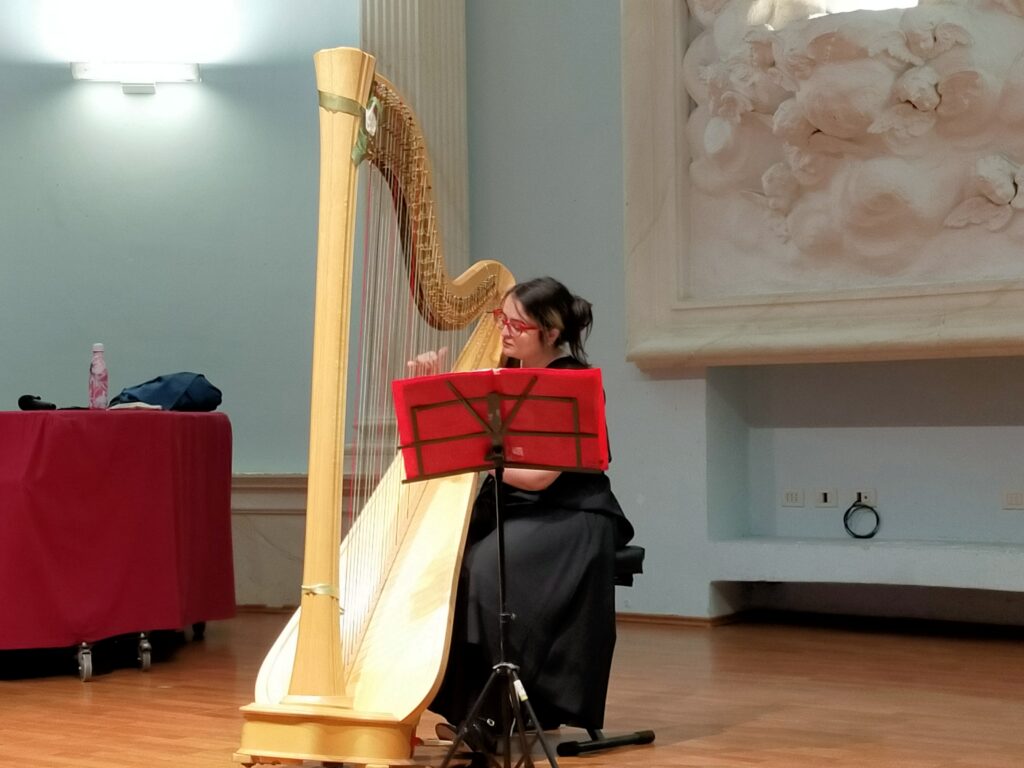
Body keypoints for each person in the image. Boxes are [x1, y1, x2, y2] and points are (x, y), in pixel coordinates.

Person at [422, 276, 635, 753]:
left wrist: (472, 454)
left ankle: (500, 713)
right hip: (517, 510)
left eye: (517, 325)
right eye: (502, 319)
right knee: (452, 566)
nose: (505, 330)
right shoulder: (501, 379)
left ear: (552, 333)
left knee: (488, 568)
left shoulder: (571, 384)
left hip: (573, 514)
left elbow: (539, 478)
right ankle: (471, 708)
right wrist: (436, 391)